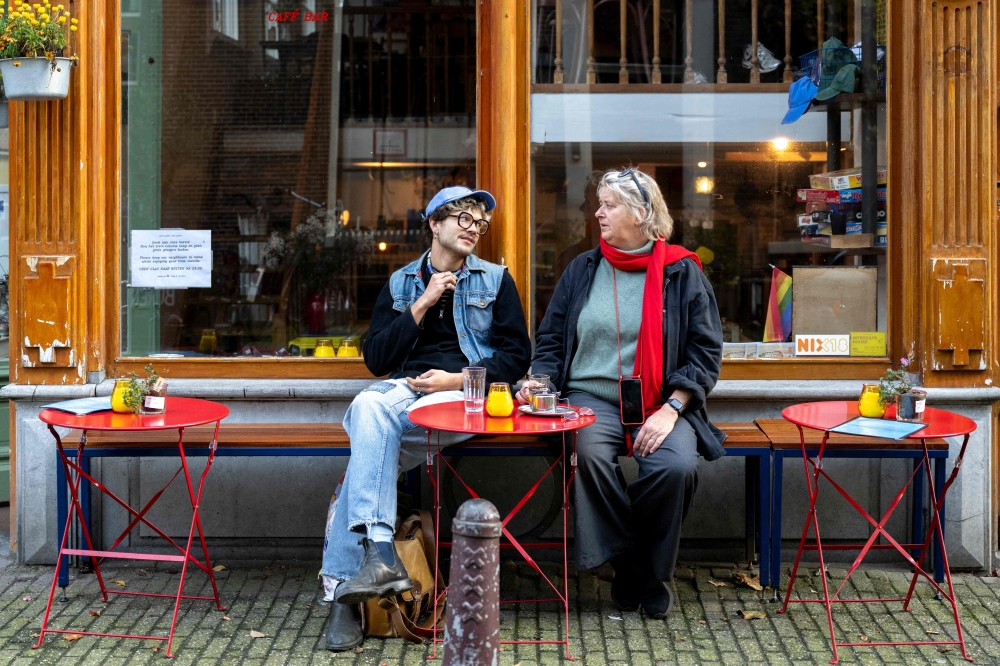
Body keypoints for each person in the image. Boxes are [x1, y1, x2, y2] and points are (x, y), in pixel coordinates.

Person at [321, 186, 531, 651]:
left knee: (366, 438)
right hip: (408, 398)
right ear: (434, 224)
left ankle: (347, 590)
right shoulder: (401, 284)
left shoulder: (496, 280)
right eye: (464, 219)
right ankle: (371, 566)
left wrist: (456, 379)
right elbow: (377, 360)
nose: (474, 229)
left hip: (466, 399)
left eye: (480, 223)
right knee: (370, 415)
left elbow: (517, 356)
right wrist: (422, 302)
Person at [521, 168, 724, 619]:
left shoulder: (682, 272)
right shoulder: (582, 269)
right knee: (588, 456)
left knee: (675, 467)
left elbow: (705, 352)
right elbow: (551, 338)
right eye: (600, 203)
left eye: (609, 205)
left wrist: (672, 408)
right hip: (590, 395)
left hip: (661, 400)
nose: (598, 212)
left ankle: (643, 567)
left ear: (641, 213)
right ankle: (631, 565)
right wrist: (541, 380)